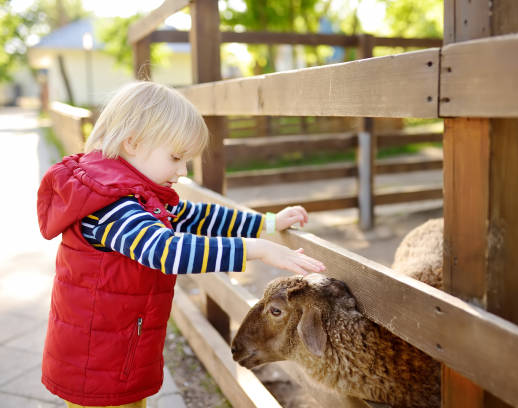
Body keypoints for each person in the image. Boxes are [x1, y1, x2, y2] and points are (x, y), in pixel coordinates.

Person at [37, 81, 326, 408]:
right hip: (98, 365)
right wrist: (256, 248)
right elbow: (168, 251)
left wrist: (266, 223)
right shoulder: (112, 206)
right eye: (176, 157)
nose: (182, 170)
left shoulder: (138, 194)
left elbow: (196, 215)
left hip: (116, 356)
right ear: (133, 143)